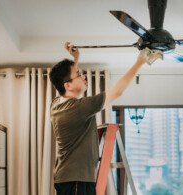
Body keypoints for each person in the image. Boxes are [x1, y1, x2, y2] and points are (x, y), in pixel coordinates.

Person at [49, 42, 162, 195]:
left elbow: (64, 82)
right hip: (76, 180)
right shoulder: (77, 108)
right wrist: (140, 61)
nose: (83, 76)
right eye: (78, 74)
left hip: (70, 178)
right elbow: (117, 92)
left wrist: (75, 60)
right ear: (68, 85)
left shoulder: (57, 104)